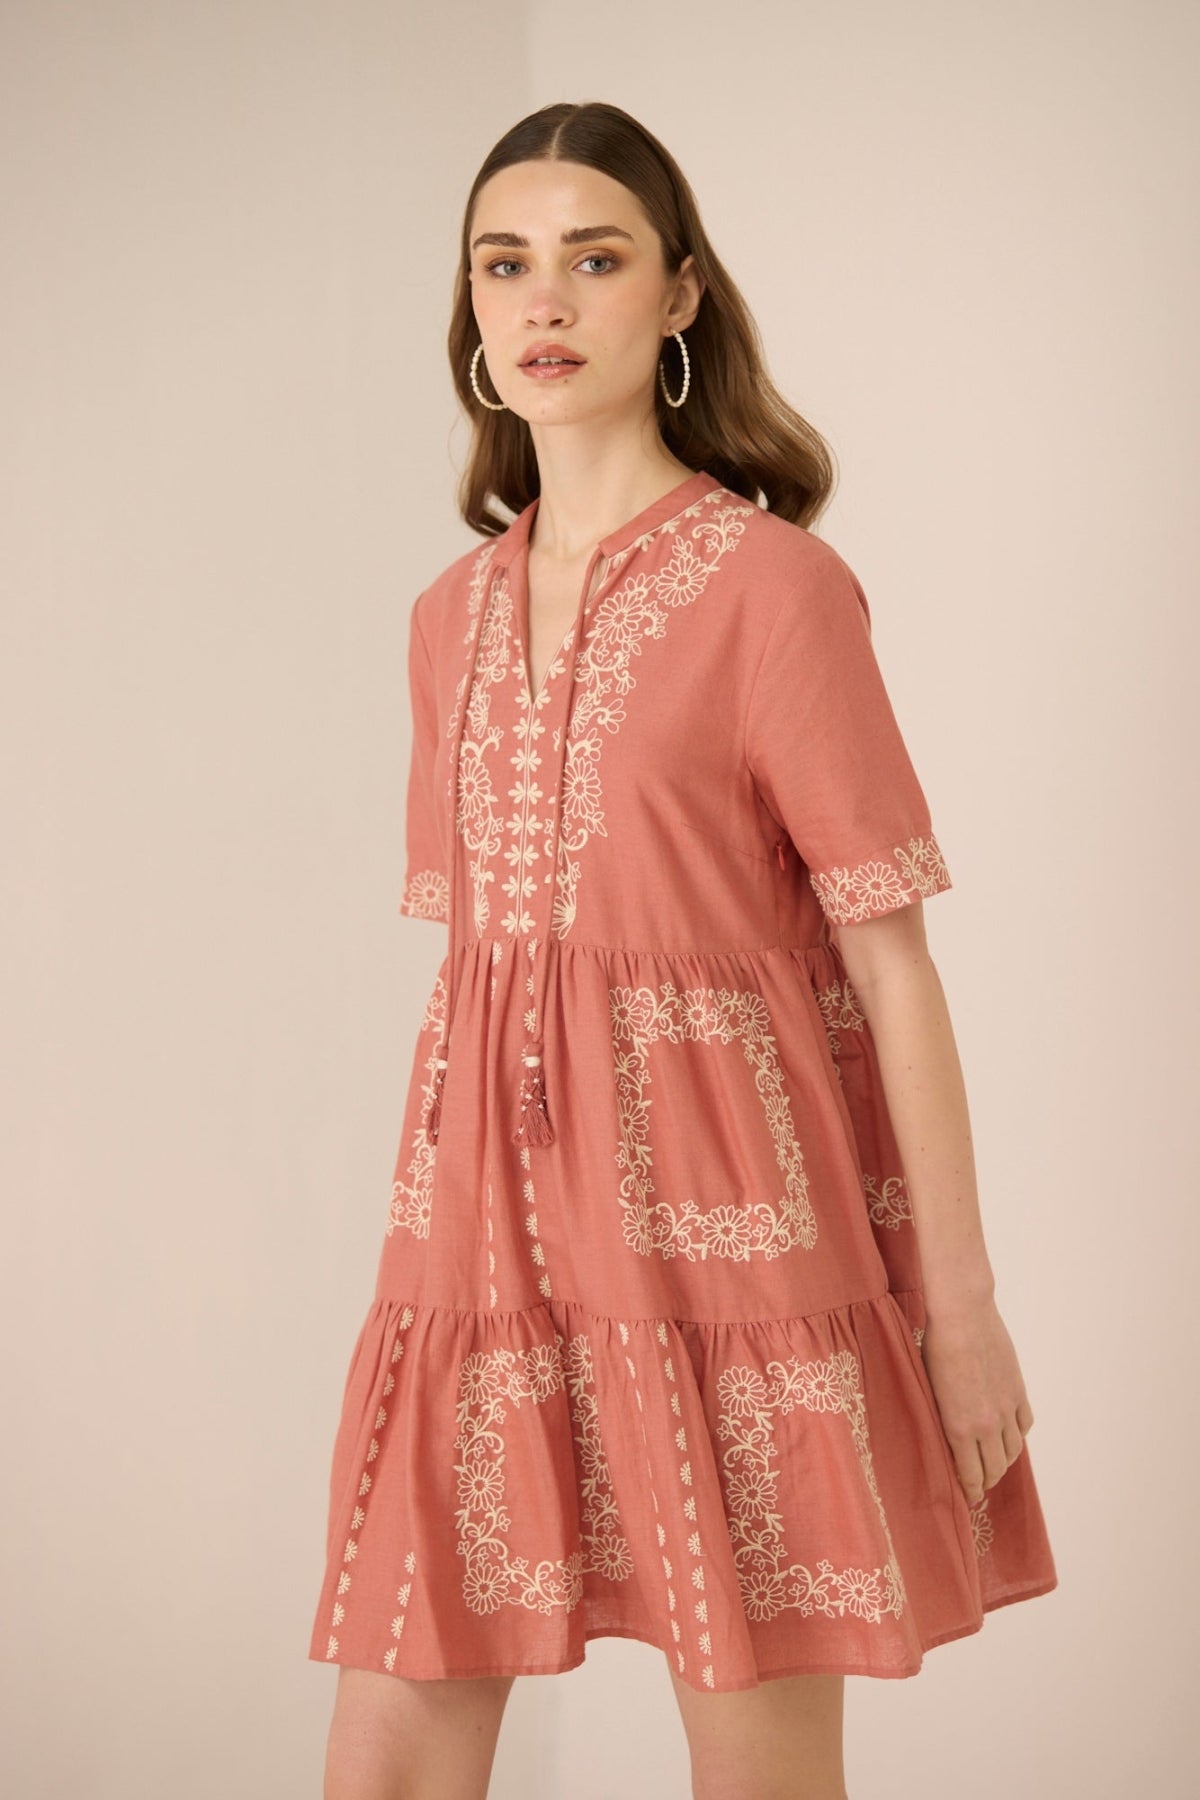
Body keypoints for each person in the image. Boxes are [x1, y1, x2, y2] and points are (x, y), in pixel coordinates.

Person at [310, 100, 1058, 1800]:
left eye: (595, 257)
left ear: (680, 296)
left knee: (759, 1768)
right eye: (505, 265)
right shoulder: (448, 620)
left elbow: (891, 966)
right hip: (479, 1250)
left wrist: (963, 1309)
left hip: (735, 1245)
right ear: (473, 314)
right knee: (390, 1744)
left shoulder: (776, 591)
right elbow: (497, 972)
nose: (544, 299)